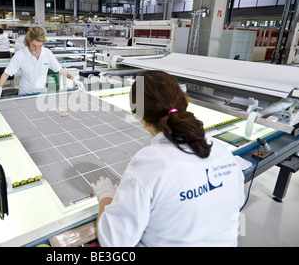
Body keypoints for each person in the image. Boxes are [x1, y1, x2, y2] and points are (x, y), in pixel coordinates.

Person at [92, 70, 245, 247]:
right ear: (184, 101)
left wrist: (106, 197)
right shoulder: (220, 150)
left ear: (140, 117)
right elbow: (237, 203)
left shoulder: (149, 163)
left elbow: (114, 241)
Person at [0, 26, 84, 100]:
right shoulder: (20, 55)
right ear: (29, 41)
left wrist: (74, 79)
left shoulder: (47, 53)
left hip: (43, 94)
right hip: (25, 95)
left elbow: (59, 69)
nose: (37, 49)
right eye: (34, 45)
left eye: (40, 46)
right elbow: (7, 73)